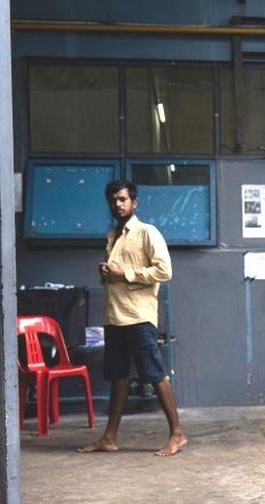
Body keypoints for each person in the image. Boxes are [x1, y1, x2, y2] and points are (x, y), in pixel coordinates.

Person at [79, 180, 187, 457]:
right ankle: (109, 437)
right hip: (114, 317)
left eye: (123, 199)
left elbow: (164, 271)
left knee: (154, 374)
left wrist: (124, 273)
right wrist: (105, 274)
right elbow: (113, 278)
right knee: (117, 377)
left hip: (139, 317)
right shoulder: (112, 235)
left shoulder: (147, 232)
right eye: (114, 200)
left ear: (134, 203)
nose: (118, 204)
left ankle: (177, 433)